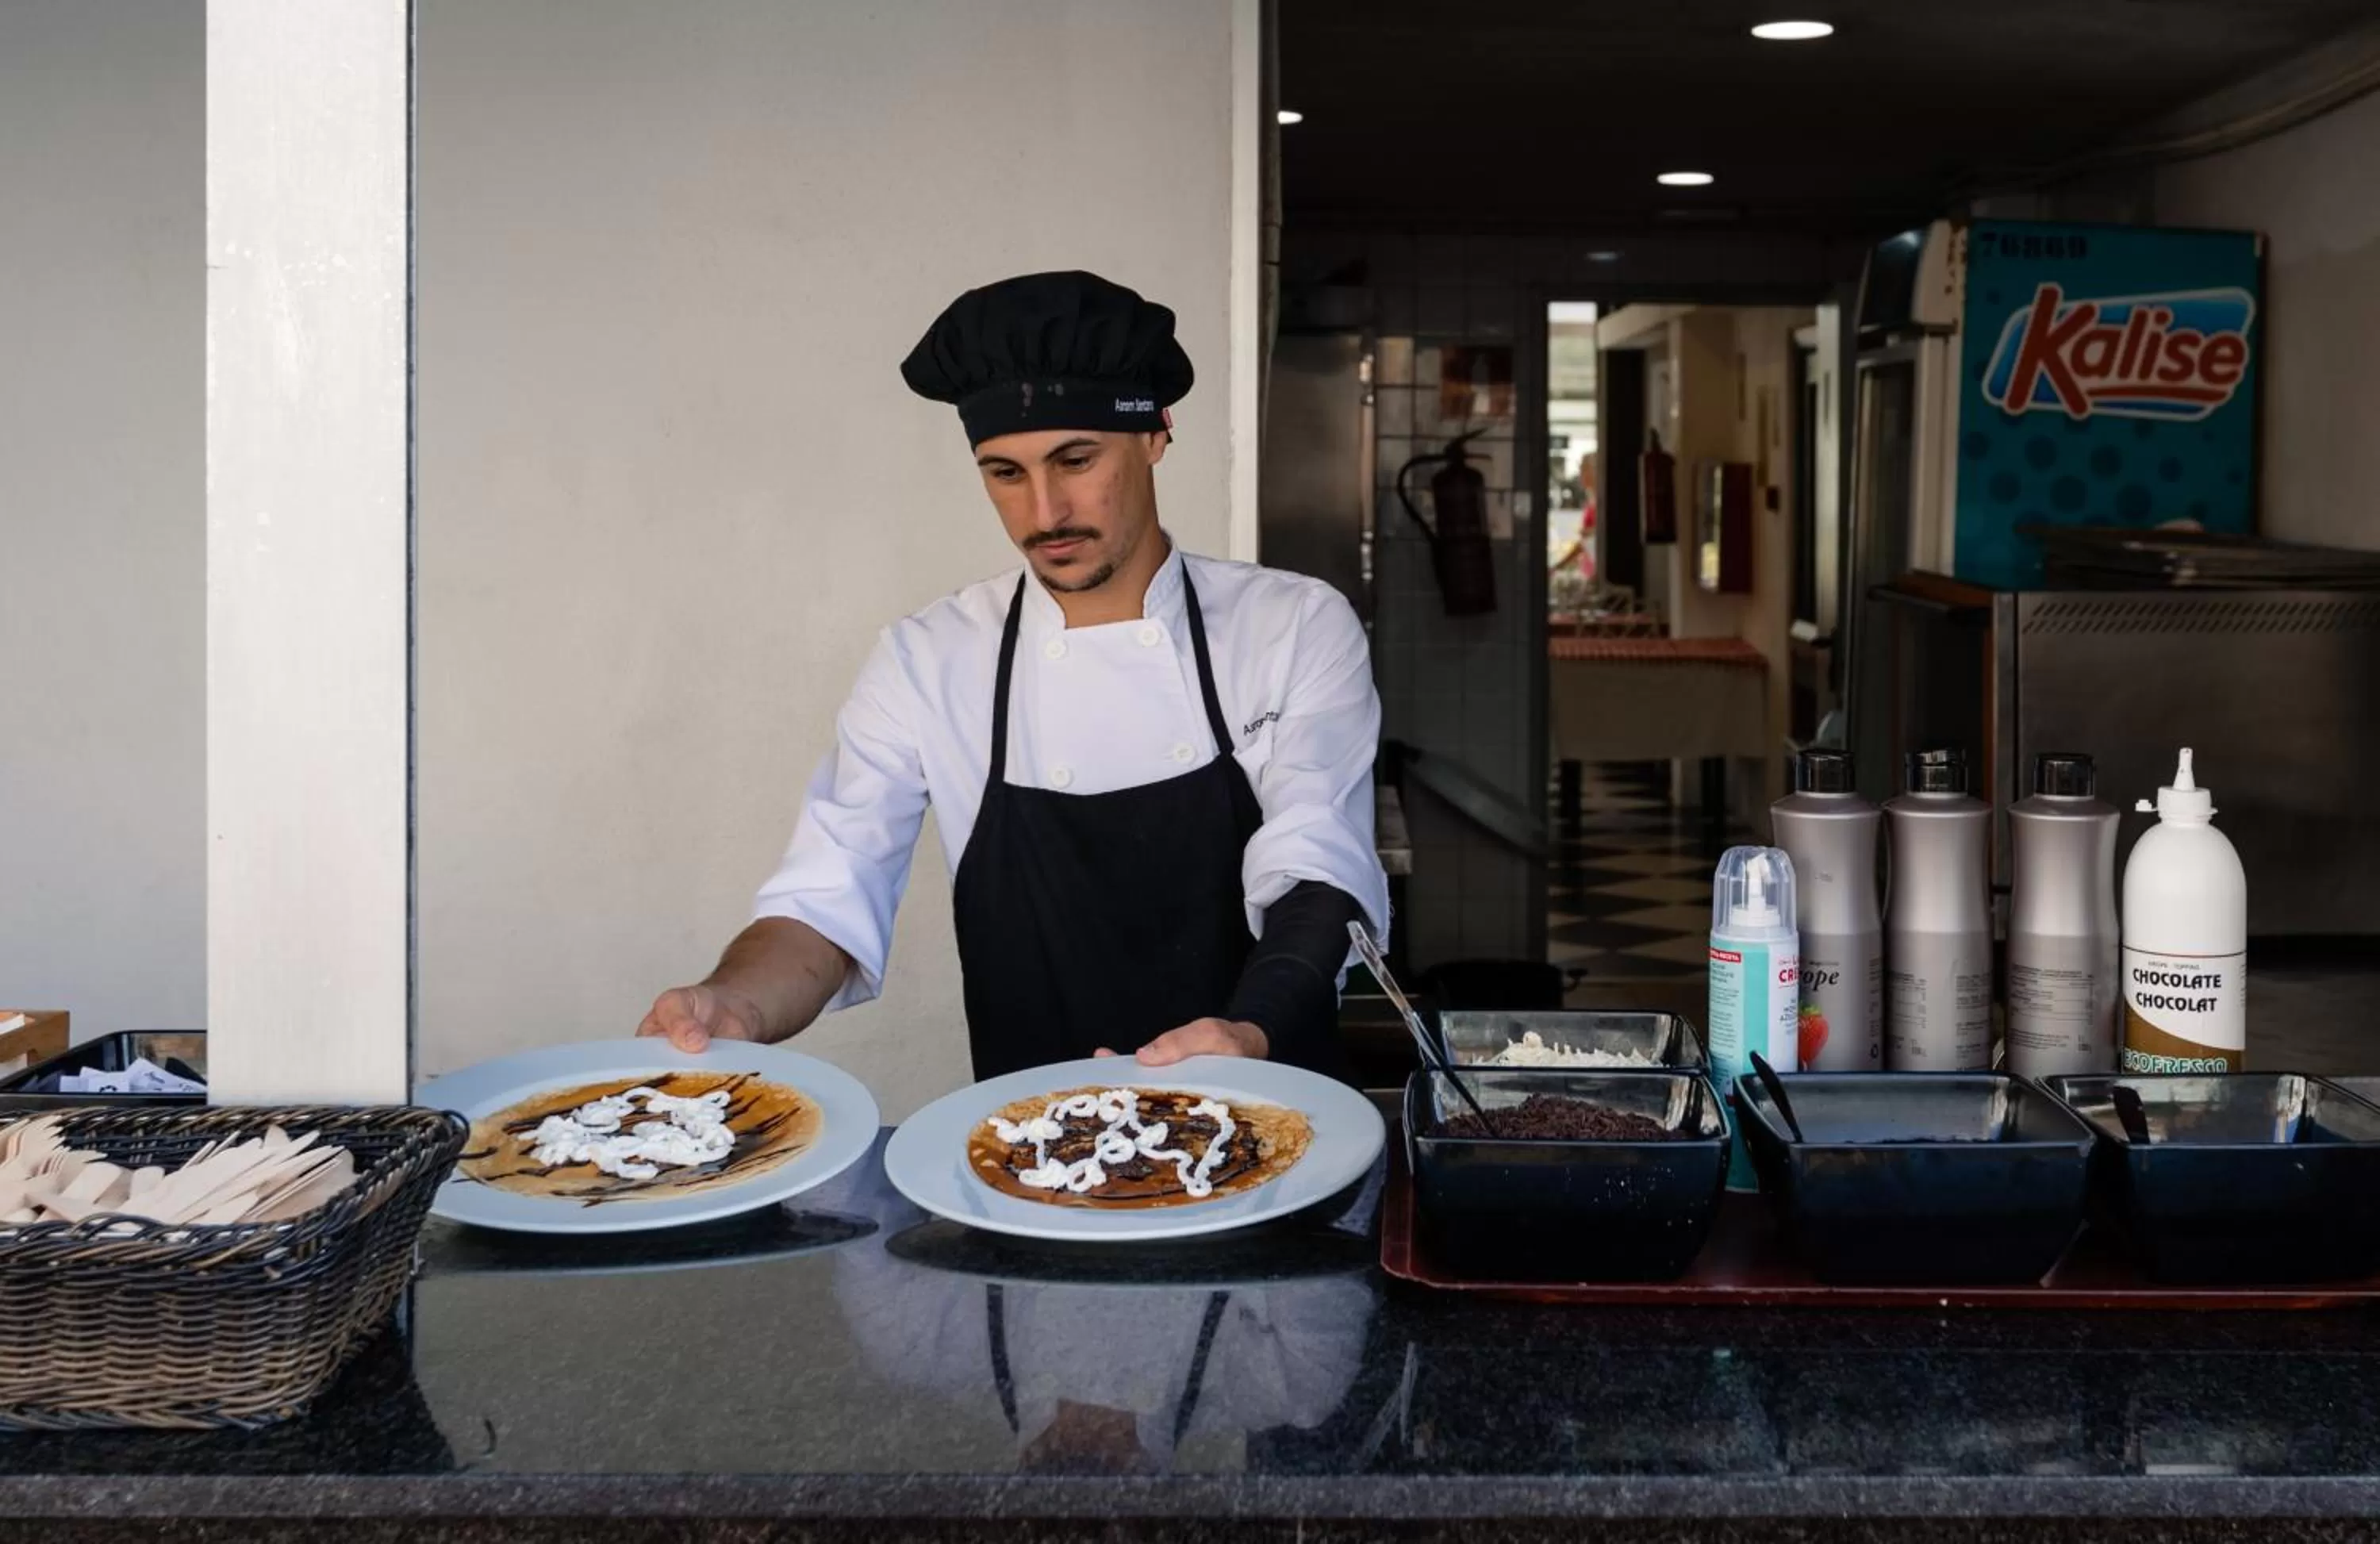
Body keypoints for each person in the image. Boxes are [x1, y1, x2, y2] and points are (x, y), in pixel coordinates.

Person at [637, 271, 1389, 1079]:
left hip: (1277, 1116)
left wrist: (1250, 1027)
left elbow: (1318, 864)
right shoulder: (927, 660)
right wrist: (735, 1002)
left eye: (1076, 459)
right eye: (1005, 472)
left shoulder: (1292, 626)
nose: (1045, 512)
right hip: (1034, 1156)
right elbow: (825, 898)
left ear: (1155, 434)